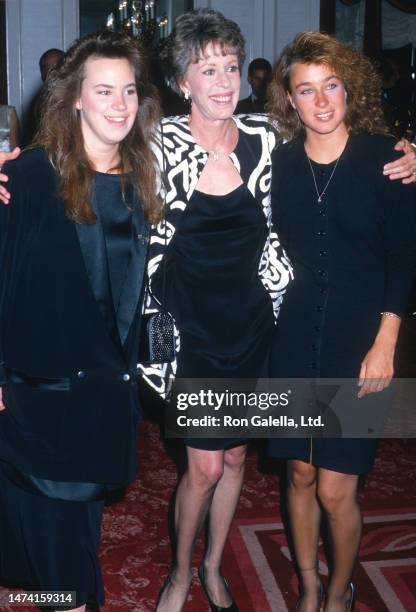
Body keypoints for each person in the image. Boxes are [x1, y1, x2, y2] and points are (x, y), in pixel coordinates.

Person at [0, 30, 160, 612]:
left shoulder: (145, 178)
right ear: (74, 99)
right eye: (104, 90)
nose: (119, 104)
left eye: (128, 90)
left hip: (106, 403)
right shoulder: (27, 178)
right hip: (38, 402)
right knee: (58, 562)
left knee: (75, 548)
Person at [266, 32, 416, 612]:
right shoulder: (278, 163)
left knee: (335, 486)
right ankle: (307, 585)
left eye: (331, 85)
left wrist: (387, 342)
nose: (322, 101)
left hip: (362, 338)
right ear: (290, 100)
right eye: (307, 90)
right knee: (300, 474)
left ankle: (338, 590)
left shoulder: (388, 158)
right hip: (296, 331)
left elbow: (404, 255)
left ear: (348, 88)